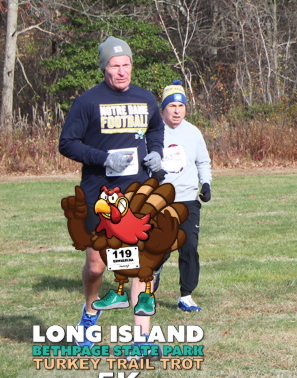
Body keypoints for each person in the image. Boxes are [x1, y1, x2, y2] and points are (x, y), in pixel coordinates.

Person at [58, 36, 164, 347]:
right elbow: (67, 143)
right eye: (115, 65)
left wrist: (156, 153)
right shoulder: (87, 102)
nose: (121, 71)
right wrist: (103, 158)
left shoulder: (146, 98)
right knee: (97, 266)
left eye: (126, 65)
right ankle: (90, 313)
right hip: (99, 195)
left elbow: (156, 129)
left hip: (136, 193)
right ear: (104, 67)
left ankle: (141, 338)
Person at [157, 80, 213, 312]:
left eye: (181, 106)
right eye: (172, 106)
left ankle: (186, 296)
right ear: (163, 109)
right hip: (161, 200)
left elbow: (203, 161)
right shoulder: (154, 132)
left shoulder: (193, 132)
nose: (177, 111)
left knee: (189, 246)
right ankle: (151, 276)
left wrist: (206, 183)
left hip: (188, 199)